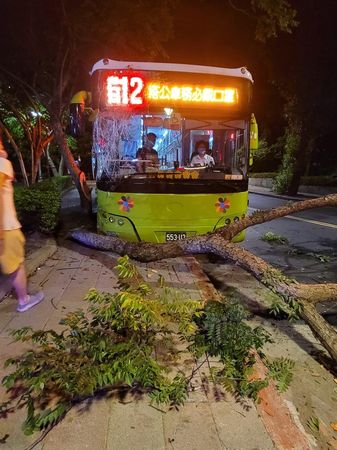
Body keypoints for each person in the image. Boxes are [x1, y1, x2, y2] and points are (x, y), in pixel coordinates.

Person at [0, 135, 44, 312]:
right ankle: (24, 300)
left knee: (8, 265)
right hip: (6, 226)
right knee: (16, 265)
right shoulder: (2, 163)